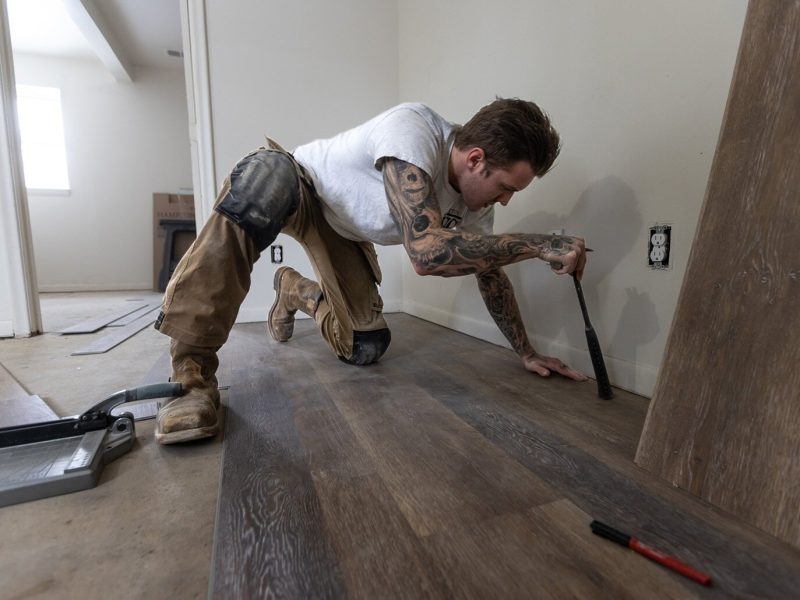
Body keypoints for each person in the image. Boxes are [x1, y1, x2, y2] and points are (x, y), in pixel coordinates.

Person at [153, 98, 587, 445]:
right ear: (475, 159)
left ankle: (294, 290)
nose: (506, 200)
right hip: (301, 185)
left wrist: (526, 352)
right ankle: (189, 374)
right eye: (506, 187)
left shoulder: (475, 209)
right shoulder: (415, 129)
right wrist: (539, 244)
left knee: (365, 345)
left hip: (341, 230)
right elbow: (426, 253)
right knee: (261, 180)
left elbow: (490, 273)